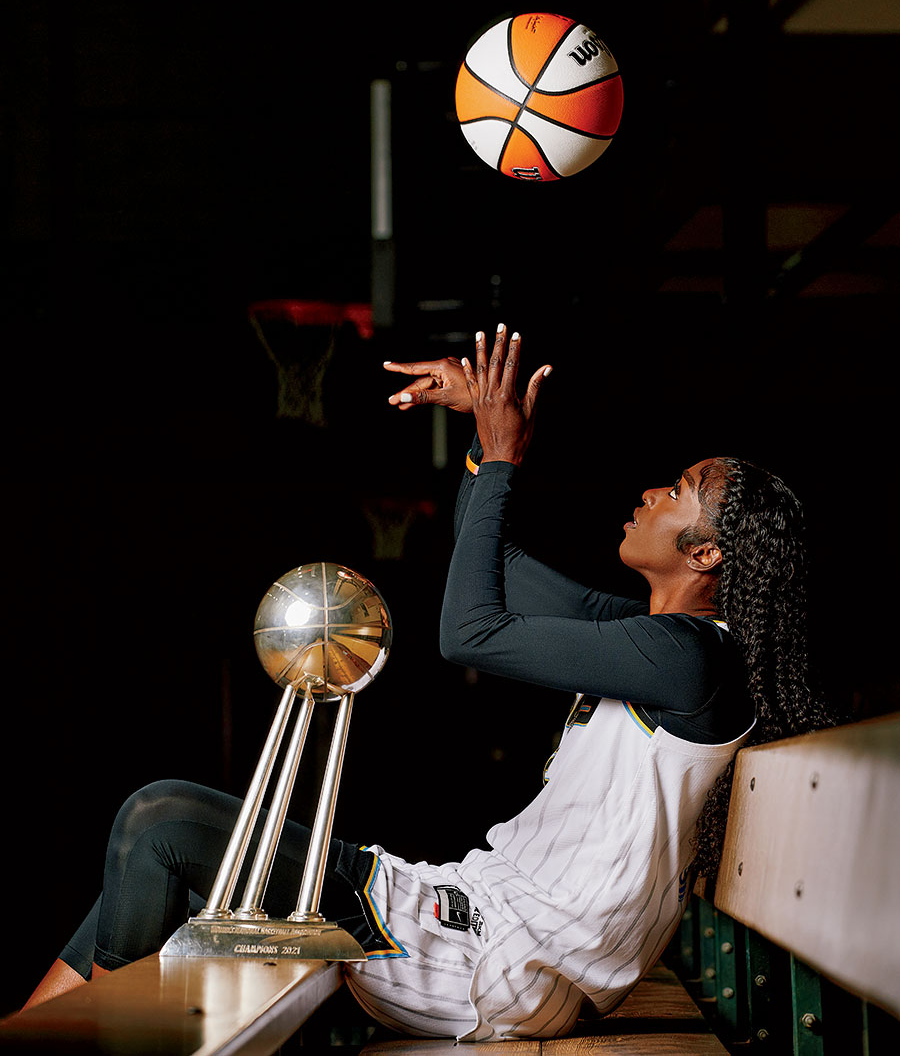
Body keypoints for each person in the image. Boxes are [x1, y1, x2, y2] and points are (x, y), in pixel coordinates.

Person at [22, 327, 838, 1041]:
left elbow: (468, 632)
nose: (650, 493)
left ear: (707, 554)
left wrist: (506, 459)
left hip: (502, 957)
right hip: (483, 921)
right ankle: (34, 1035)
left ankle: (99, 1042)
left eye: (678, 491)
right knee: (172, 852)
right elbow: (499, 567)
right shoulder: (651, 639)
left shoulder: (688, 659)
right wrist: (487, 447)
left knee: (160, 819)